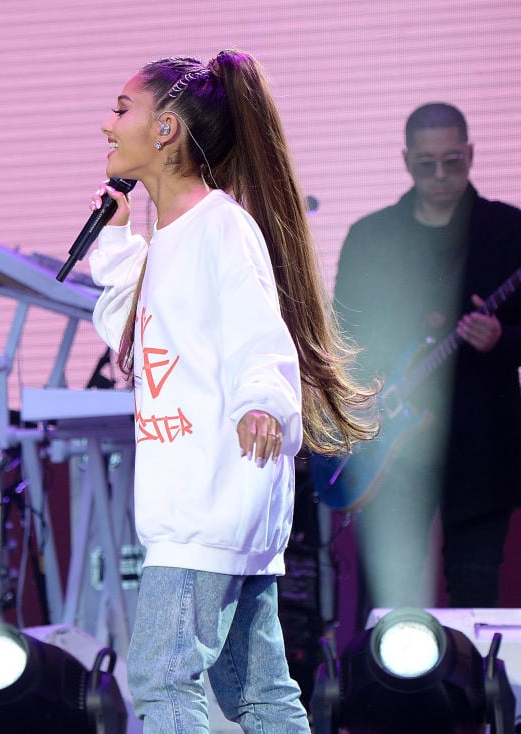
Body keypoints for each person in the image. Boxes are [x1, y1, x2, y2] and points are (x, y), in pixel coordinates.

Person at [88, 51, 378, 733]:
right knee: (258, 691)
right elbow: (136, 332)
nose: (106, 125)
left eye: (122, 109)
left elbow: (260, 333)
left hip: (205, 502)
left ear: (165, 130)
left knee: (162, 682)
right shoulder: (174, 237)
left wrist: (263, 401)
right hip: (210, 502)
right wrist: (116, 239)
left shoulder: (220, 225)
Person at [331, 103, 521, 617]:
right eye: (427, 164)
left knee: (475, 594)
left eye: (453, 162)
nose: (441, 175)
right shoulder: (373, 236)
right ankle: (378, 696)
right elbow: (342, 335)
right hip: (392, 450)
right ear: (407, 161)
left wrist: (502, 337)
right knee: (385, 598)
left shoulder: (508, 231)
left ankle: (476, 699)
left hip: (481, 448)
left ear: (472, 155)